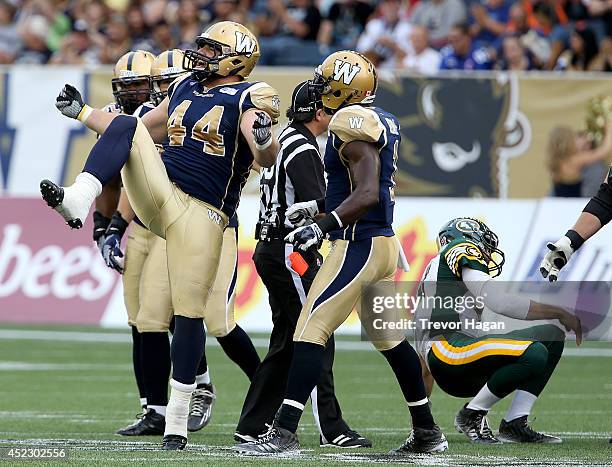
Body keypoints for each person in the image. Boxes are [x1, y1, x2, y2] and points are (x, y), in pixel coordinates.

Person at [40, 21, 280, 450]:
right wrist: (81, 112)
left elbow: (264, 156)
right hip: (165, 199)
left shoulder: (249, 95)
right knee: (127, 124)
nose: (200, 55)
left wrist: (265, 141)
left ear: (236, 59)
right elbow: (142, 128)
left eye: (210, 49)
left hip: (207, 216)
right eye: (202, 47)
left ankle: (178, 423)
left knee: (193, 318)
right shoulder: (186, 87)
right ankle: (79, 197)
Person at [233, 50, 446, 455]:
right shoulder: (377, 118)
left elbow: (366, 193)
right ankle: (427, 431)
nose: (318, 87)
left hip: (359, 245)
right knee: (389, 339)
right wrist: (317, 208)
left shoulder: (350, 120)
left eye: (325, 80)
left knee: (309, 330)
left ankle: (283, 433)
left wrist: (323, 225)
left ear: (344, 88)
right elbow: (363, 186)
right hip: (384, 245)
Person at [234, 80, 370, 448]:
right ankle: (332, 427)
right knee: (316, 334)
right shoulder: (303, 149)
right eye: (330, 105)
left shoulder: (286, 140)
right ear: (318, 112)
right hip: (289, 252)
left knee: (286, 341)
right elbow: (319, 205)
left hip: (272, 249)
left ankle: (252, 423)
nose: (335, 111)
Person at [415, 218, 582, 444]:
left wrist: (420, 421)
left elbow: (423, 367)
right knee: (534, 353)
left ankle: (515, 423)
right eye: (484, 243)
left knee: (551, 336)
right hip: (449, 352)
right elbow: (500, 302)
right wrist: (557, 311)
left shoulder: (438, 274)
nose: (487, 252)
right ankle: (471, 415)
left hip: (455, 363)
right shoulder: (459, 249)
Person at [547, 124, 612, 197]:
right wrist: (609, 130)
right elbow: (604, 151)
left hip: (559, 198)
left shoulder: (554, 162)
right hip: (575, 199)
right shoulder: (575, 159)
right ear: (568, 142)